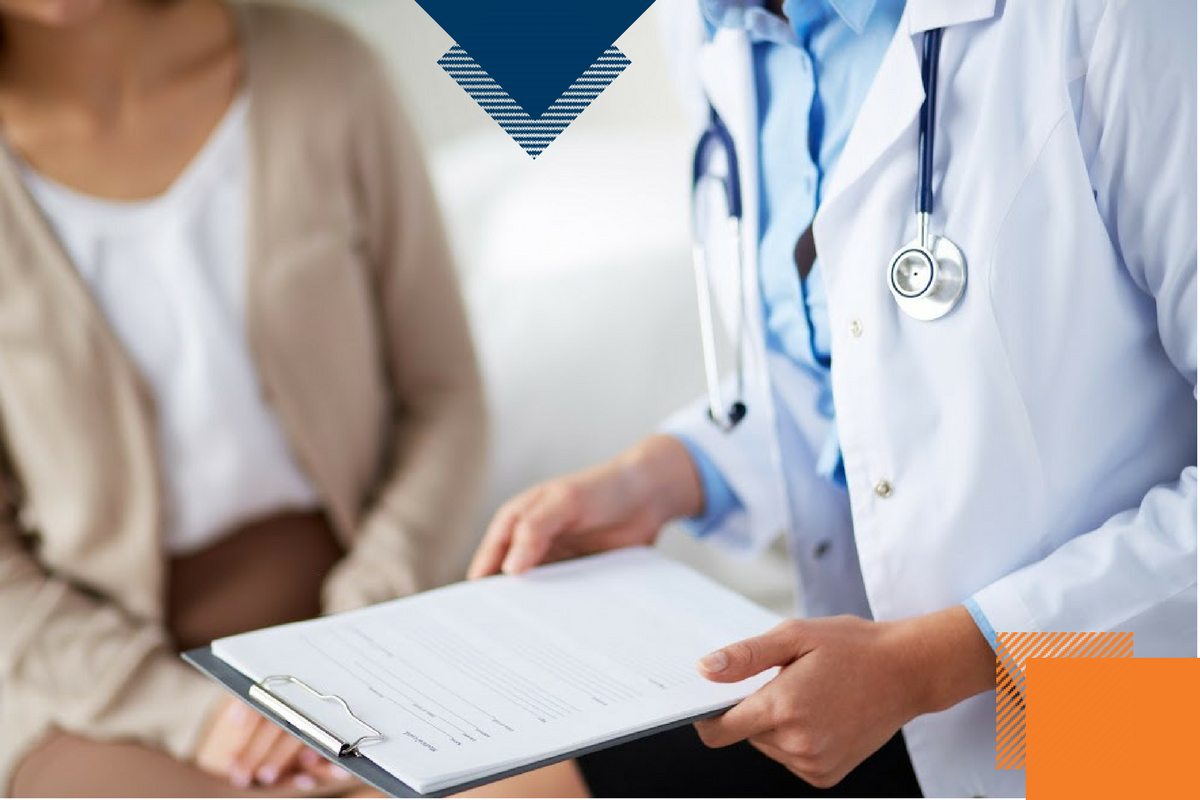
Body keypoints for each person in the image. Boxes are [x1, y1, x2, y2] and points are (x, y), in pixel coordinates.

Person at [468, 0, 1197, 796]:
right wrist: (666, 475)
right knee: (503, 781)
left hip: (1142, 704)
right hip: (874, 702)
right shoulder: (711, 26)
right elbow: (850, 366)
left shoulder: (1113, 18)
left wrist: (927, 665)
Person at [0, 0, 486, 795]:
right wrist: (196, 717)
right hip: (96, 686)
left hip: (371, 612)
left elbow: (445, 398)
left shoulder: (327, 77)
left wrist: (362, 633)